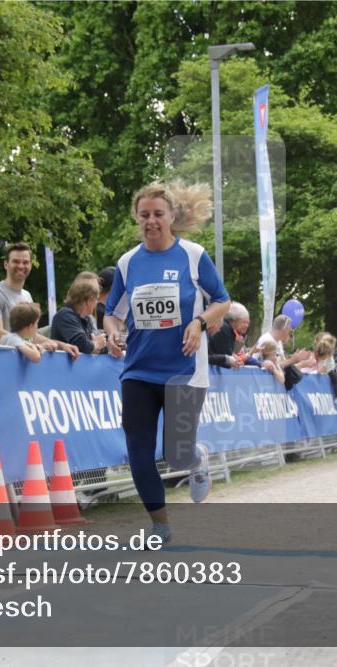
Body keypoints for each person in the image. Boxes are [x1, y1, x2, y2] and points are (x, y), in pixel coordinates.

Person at [103, 180, 230, 545]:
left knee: (175, 457)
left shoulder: (193, 255)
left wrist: (199, 322)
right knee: (138, 451)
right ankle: (160, 525)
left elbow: (221, 299)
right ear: (137, 218)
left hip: (184, 371)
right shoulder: (128, 263)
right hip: (139, 371)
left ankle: (196, 458)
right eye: (144, 215)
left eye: (159, 214)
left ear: (172, 216)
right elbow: (112, 312)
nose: (151, 221)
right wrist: (112, 331)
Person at [0, 242, 79, 358]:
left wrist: (60, 345)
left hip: (22, 364)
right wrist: (26, 345)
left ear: (31, 265)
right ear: (6, 264)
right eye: (16, 261)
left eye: (25, 262)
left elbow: (29, 336)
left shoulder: (27, 296)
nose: (21, 266)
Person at [50, 275, 107, 354]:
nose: (97, 303)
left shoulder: (87, 319)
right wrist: (96, 344)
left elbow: (94, 348)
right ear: (87, 300)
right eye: (96, 299)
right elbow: (82, 345)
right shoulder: (65, 315)